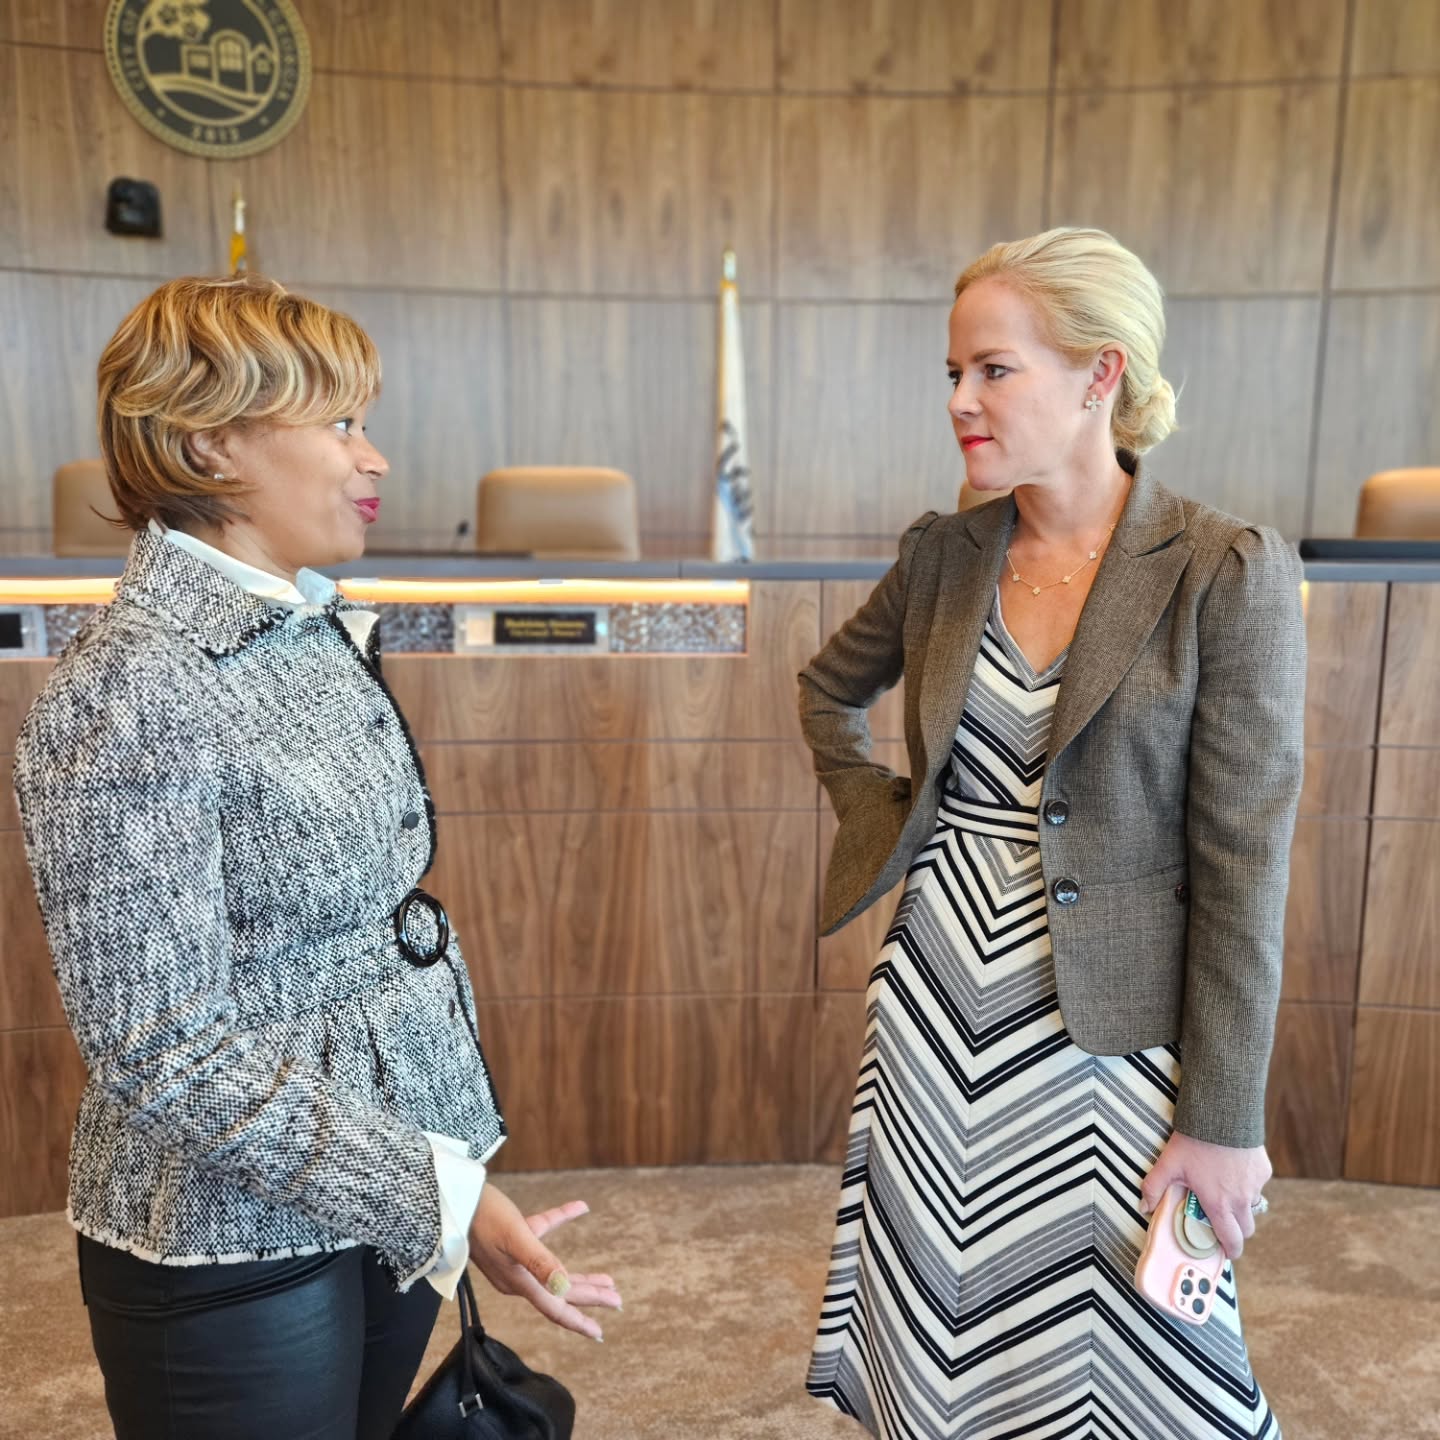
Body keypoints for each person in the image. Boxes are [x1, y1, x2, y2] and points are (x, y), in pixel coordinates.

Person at [14, 274, 621, 1440]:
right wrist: (440, 1197)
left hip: (366, 1175)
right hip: (225, 1229)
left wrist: (427, 1181)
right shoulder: (133, 683)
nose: (373, 456)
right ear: (207, 442)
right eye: (338, 423)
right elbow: (163, 1049)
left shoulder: (299, 618)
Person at [801, 227, 1300, 1439]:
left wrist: (1225, 1122)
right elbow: (826, 691)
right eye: (953, 374)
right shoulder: (943, 554)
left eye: (994, 370)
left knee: (1147, 1366)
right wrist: (898, 824)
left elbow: (1245, 870)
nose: (962, 402)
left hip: (1114, 1033)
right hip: (934, 997)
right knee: (939, 1327)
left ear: (1100, 375)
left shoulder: (1223, 570)